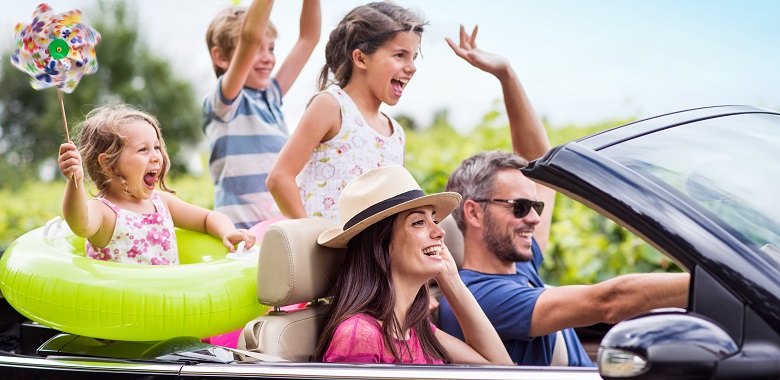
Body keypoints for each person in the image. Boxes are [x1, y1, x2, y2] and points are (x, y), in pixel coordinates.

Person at [437, 28, 689, 367]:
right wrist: (724, 282)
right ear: (474, 213)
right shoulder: (476, 296)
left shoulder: (519, 262)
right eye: (521, 207)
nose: (536, 218)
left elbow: (542, 164)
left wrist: (506, 75)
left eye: (535, 205)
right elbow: (611, 301)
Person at [314, 165, 512, 365]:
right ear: (380, 244)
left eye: (434, 219)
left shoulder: (414, 328)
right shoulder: (358, 336)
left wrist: (451, 278)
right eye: (418, 222)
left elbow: (499, 369)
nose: (439, 232)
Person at [266, 2, 418, 223]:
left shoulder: (397, 134)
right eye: (400, 55)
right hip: (323, 253)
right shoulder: (331, 106)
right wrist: (311, 237)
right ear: (361, 58)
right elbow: (279, 178)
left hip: (367, 258)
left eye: (413, 57)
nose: (412, 67)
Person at [58, 104, 256, 265]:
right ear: (109, 164)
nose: (156, 157)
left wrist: (227, 231)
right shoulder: (103, 212)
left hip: (165, 307)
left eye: (157, 147)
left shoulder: (161, 202)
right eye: (143, 150)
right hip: (123, 309)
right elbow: (80, 223)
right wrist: (75, 180)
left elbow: (207, 218)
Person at [203, 0, 321, 229]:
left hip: (278, 231)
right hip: (242, 233)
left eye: (271, 48)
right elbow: (250, 37)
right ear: (221, 57)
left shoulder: (271, 97)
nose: (268, 58)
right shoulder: (224, 104)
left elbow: (308, 38)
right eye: (258, 49)